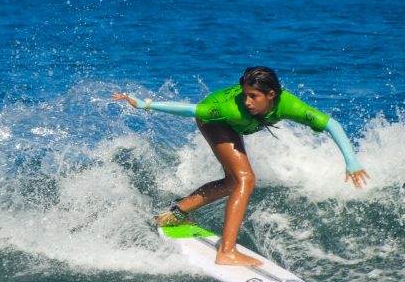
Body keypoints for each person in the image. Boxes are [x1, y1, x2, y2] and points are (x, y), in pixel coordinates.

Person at [112, 66, 370, 267]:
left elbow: (331, 124)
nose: (247, 101)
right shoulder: (230, 109)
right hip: (215, 122)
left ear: (272, 95)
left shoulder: (289, 105)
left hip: (235, 126)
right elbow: (191, 109)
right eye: (245, 94)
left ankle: (172, 214)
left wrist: (352, 161)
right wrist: (144, 104)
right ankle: (226, 252)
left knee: (233, 182)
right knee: (246, 179)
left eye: (253, 96)